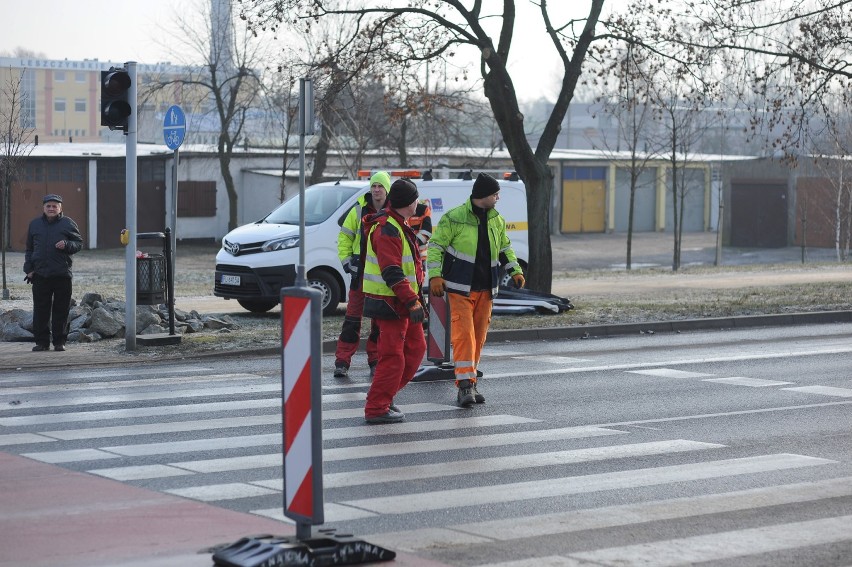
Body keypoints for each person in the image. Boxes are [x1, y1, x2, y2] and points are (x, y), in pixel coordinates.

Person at [427, 173, 525, 407]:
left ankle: (470, 380)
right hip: (460, 289)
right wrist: (435, 276)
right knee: (464, 338)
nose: (498, 198)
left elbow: (505, 248)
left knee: (478, 338)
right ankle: (464, 387)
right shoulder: (455, 218)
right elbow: (435, 247)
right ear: (483, 196)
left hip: (487, 289)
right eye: (495, 194)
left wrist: (515, 270)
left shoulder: (496, 220)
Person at [361, 178, 427, 423]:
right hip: (392, 303)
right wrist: (411, 301)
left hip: (401, 303)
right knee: (393, 357)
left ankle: (384, 398)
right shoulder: (387, 228)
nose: (418, 203)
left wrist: (414, 301)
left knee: (416, 349)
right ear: (409, 203)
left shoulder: (396, 224)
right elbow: (391, 271)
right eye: (416, 199)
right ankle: (376, 407)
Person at [333, 171, 391, 378]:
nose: (376, 190)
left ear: (387, 189)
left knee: (377, 321)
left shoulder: (393, 211)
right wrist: (347, 262)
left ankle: (374, 360)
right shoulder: (358, 209)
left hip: (381, 278)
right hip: (359, 274)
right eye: (373, 186)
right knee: (352, 320)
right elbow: (344, 238)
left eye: (380, 186)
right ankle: (342, 361)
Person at [24, 194, 83, 352]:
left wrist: (67, 244)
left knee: (61, 310)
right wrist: (28, 269)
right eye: (48, 206)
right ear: (43, 207)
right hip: (40, 274)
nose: (51, 208)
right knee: (41, 310)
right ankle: (42, 343)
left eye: (54, 206)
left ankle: (59, 342)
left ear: (60, 208)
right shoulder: (34, 224)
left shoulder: (68, 223)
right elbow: (29, 249)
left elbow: (79, 243)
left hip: (62, 274)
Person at [407, 198, 433, 270]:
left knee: (420, 279)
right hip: (403, 256)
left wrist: (410, 244)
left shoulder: (423, 210)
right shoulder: (398, 209)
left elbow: (426, 233)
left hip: (420, 256)